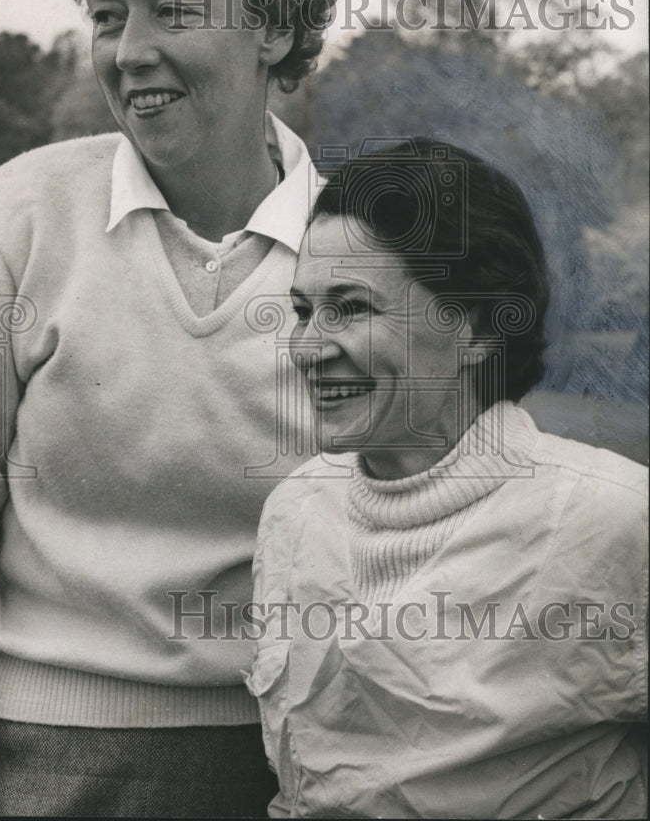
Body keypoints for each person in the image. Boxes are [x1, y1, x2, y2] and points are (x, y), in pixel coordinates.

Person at [0, 0, 335, 818]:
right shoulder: (25, 210)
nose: (128, 49)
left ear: (271, 24)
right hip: (34, 760)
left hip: (294, 764)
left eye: (171, 9)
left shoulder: (357, 256)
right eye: (105, 14)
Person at [248, 141, 648, 819]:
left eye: (350, 307)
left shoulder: (612, 520)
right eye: (303, 310)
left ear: (474, 329)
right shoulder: (294, 512)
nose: (307, 347)